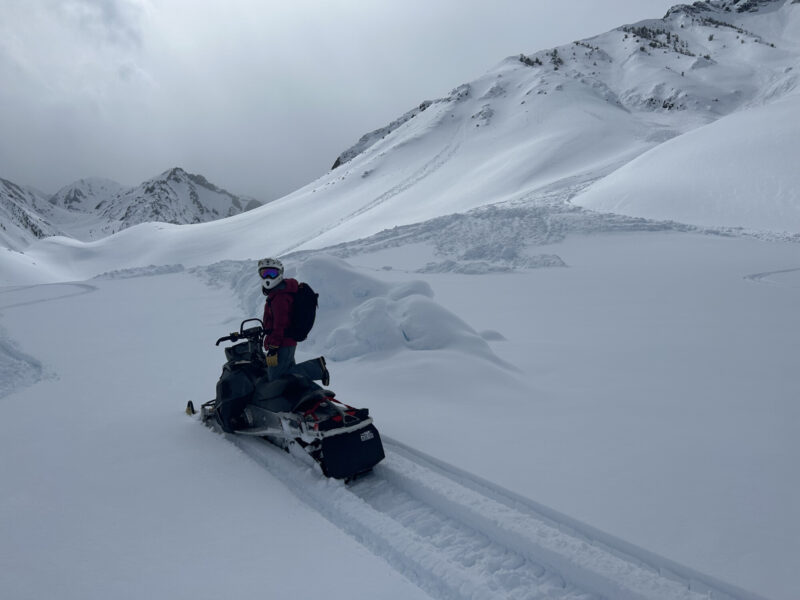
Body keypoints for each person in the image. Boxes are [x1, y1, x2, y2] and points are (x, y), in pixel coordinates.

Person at [258, 257, 330, 386]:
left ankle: (317, 368)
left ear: (279, 274)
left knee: (277, 378)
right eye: (264, 273)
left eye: (272, 273)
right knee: (286, 373)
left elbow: (280, 324)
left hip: (282, 342)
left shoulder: (280, 296)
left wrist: (274, 345)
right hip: (285, 341)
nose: (268, 276)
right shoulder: (279, 292)